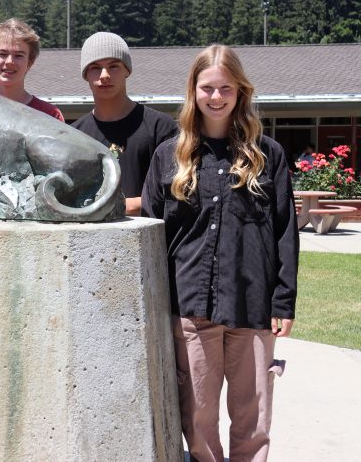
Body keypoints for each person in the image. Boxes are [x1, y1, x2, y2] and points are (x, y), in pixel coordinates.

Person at [141, 45, 298, 462]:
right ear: (193, 91)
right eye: (207, 87)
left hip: (252, 305)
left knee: (254, 417)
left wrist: (284, 300)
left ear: (240, 91)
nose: (216, 96)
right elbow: (153, 235)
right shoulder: (169, 156)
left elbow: (285, 231)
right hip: (190, 307)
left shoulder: (267, 156)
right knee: (198, 418)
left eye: (226, 87)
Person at [72, 32, 177, 215]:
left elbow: (176, 193)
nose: (104, 75)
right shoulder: (74, 136)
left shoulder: (161, 128)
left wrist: (117, 206)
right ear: (85, 74)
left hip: (150, 232)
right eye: (95, 68)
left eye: (113, 66)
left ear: (127, 70)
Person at [0, 18, 64, 122]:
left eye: (18, 55)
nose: (9, 61)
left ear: (30, 62)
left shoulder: (50, 115)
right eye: (2, 54)